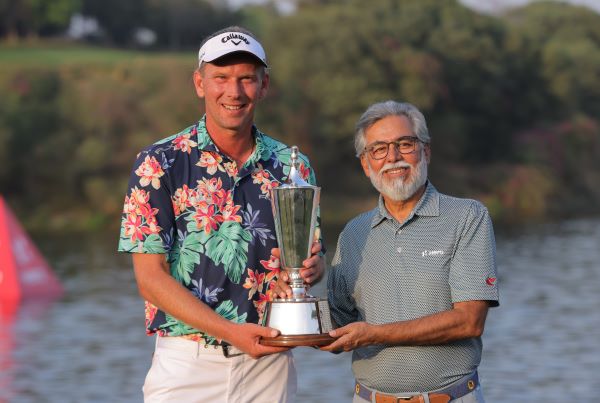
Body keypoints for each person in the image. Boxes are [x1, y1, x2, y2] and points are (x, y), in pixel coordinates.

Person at [117, 26, 324, 403]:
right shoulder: (158, 163)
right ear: (199, 83)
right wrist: (231, 331)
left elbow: (312, 256)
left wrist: (311, 268)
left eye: (247, 78)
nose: (234, 91)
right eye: (221, 78)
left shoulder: (292, 166)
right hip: (186, 364)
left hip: (270, 363)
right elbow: (150, 278)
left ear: (264, 86)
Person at [324, 100, 499, 402]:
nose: (393, 157)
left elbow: (470, 321)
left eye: (404, 144)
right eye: (378, 149)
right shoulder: (353, 233)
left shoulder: (467, 217)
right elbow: (337, 324)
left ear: (425, 151)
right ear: (366, 164)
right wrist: (291, 287)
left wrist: (375, 334)